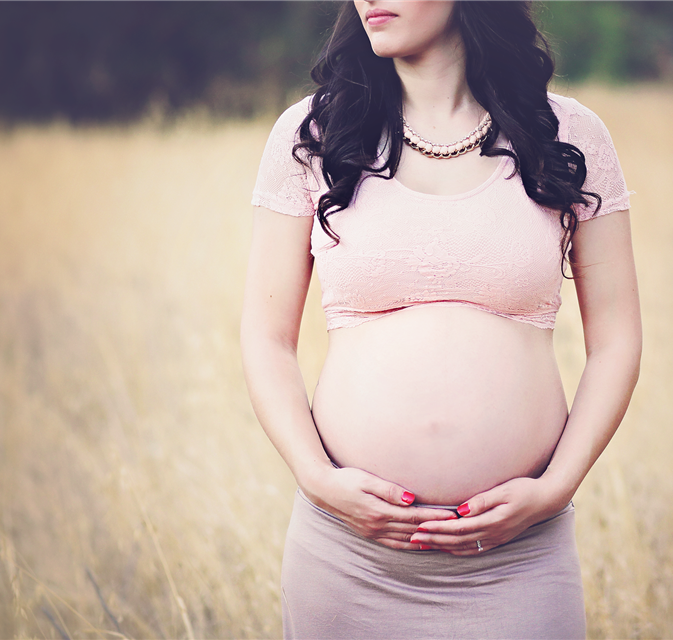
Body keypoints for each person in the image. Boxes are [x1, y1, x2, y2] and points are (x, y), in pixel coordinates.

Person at [241, 0, 641, 637]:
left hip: (517, 560)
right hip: (348, 559)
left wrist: (557, 487)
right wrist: (316, 479)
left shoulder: (566, 134)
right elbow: (266, 339)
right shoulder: (313, 136)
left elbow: (617, 340)